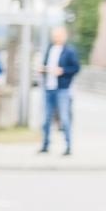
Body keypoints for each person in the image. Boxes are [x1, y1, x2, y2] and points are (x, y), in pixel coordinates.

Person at [37, 25, 81, 155]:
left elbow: (76, 68)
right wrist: (43, 69)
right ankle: (45, 145)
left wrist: (63, 71)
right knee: (46, 119)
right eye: (54, 35)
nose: (56, 38)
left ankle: (68, 146)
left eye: (58, 35)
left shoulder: (69, 51)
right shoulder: (50, 49)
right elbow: (46, 66)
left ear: (64, 36)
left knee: (64, 118)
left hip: (62, 88)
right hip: (49, 88)